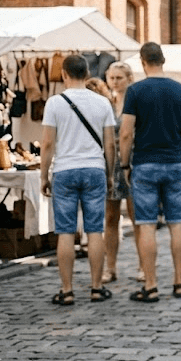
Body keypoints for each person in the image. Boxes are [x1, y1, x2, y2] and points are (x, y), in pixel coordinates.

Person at [118, 42, 181, 302]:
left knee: (147, 225)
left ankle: (150, 285)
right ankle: (180, 283)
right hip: (174, 162)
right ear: (163, 60)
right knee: (177, 222)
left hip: (144, 163)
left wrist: (125, 164)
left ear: (143, 62)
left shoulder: (135, 91)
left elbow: (126, 132)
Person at [41, 55, 115, 305]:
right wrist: (109, 174)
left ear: (64, 74)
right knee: (95, 230)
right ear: (87, 73)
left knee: (65, 231)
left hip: (64, 170)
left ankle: (67, 290)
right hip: (94, 169)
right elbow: (110, 144)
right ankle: (96, 287)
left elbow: (48, 143)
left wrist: (44, 175)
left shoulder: (54, 103)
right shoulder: (102, 103)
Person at [101, 62, 140, 284]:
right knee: (111, 217)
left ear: (129, 79)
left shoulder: (135, 101)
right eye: (112, 78)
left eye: (119, 78)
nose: (115, 82)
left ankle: (143, 266)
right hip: (111, 163)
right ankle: (110, 267)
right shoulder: (107, 103)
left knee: (137, 217)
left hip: (132, 161)